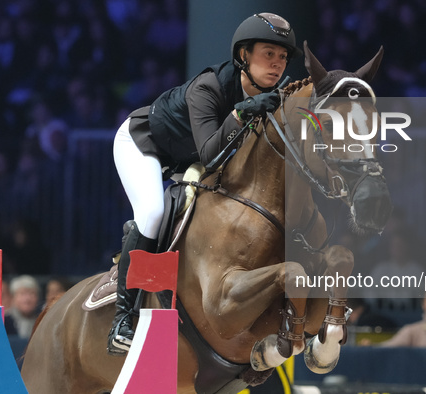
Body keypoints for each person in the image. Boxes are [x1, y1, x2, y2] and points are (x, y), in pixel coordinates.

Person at [108, 12, 302, 355]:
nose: (277, 64)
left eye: (283, 57)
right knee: (152, 212)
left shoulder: (272, 98)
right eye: (268, 54)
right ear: (244, 55)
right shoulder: (208, 87)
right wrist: (242, 112)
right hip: (143, 143)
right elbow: (211, 155)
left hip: (190, 160)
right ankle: (123, 318)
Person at [5, 275, 41, 339]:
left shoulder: (42, 321)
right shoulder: (4, 322)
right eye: (22, 294)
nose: (27, 299)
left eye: (31, 293)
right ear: (13, 298)